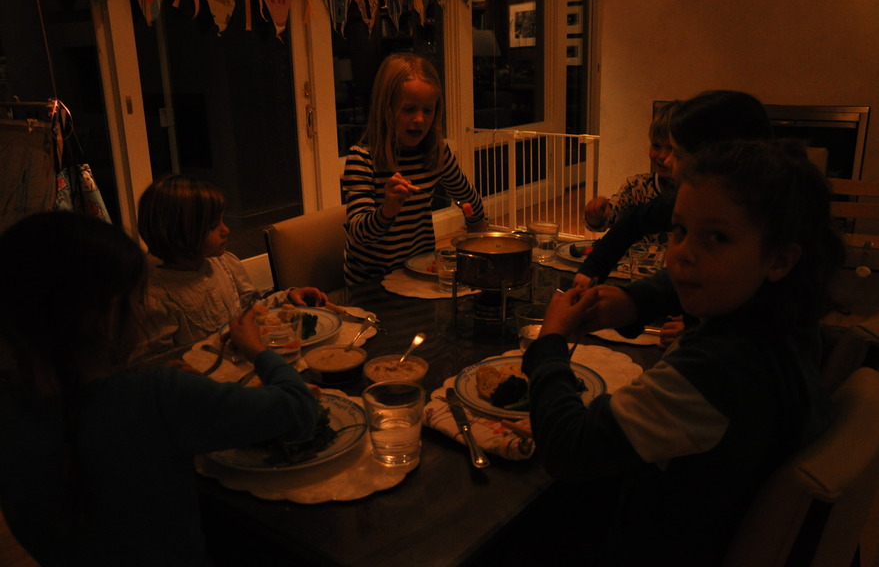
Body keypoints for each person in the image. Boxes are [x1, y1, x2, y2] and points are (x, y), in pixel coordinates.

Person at [523, 139, 844, 566]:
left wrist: (550, 343)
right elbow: (680, 280)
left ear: (779, 259)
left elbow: (567, 449)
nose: (683, 255)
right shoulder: (791, 321)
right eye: (679, 230)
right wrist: (633, 301)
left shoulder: (715, 371)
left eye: (717, 237)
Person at [0, 211, 321, 565]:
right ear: (110, 317)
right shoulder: (159, 396)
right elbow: (299, 408)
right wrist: (257, 350)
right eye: (139, 301)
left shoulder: (14, 410)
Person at [573, 90, 774, 287]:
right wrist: (598, 274)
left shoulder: (752, 216)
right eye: (657, 146)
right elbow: (633, 223)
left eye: (677, 153)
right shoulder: (691, 195)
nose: (666, 160)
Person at [134, 174, 328, 360]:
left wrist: (288, 296)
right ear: (179, 234)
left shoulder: (222, 262)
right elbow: (156, 366)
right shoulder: (155, 298)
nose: (226, 230)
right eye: (213, 226)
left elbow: (250, 310)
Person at [341, 52, 487, 285]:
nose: (419, 119)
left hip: (418, 274)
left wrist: (479, 248)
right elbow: (359, 235)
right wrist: (387, 210)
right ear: (385, 109)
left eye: (428, 110)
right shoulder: (362, 159)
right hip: (370, 283)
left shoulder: (436, 153)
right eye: (409, 109)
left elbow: (471, 202)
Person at [583, 100, 678, 242]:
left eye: (671, 148)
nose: (662, 156)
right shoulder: (637, 187)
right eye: (656, 146)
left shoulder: (696, 194)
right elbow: (611, 215)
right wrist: (596, 215)